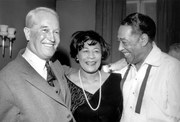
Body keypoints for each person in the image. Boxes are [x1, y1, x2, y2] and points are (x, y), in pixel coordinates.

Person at [0, 7, 75, 122]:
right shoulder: (5, 80)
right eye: (45, 30)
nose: (52, 38)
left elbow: (80, 74)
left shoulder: (55, 65)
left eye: (56, 32)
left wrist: (109, 69)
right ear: (28, 33)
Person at [109, 12, 180, 122]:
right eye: (119, 42)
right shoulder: (125, 68)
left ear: (143, 40)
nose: (119, 48)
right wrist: (112, 67)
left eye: (124, 42)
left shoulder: (173, 69)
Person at [65, 30, 123, 122]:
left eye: (96, 51)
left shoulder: (117, 81)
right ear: (77, 55)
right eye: (85, 51)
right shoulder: (65, 84)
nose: (91, 56)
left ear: (101, 54)